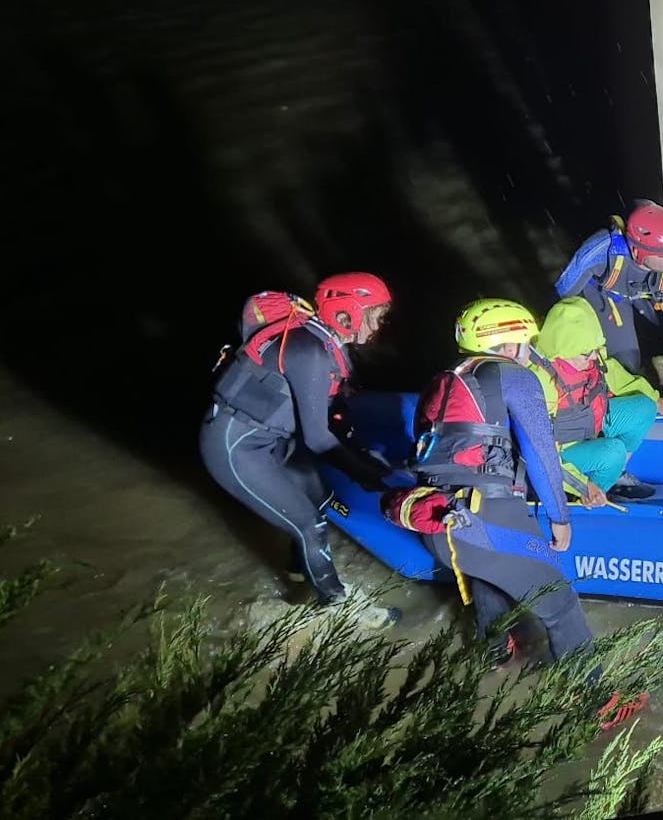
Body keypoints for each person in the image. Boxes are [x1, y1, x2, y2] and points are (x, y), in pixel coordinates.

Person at [201, 273, 405, 630]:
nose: (381, 325)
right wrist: (369, 476)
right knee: (311, 526)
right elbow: (318, 439)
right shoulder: (308, 351)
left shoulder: (328, 347)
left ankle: (298, 576)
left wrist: (368, 459)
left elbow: (333, 419)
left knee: (318, 500)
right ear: (345, 316)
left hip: (276, 439)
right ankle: (337, 607)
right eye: (376, 315)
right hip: (235, 447)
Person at [404, 298, 594, 667]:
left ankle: (490, 657)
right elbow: (541, 453)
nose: (530, 352)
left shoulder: (443, 381)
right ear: (509, 345)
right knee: (560, 604)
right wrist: (560, 515)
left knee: (489, 577)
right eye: (527, 343)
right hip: (484, 514)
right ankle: (598, 701)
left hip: (437, 517)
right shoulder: (515, 377)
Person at [553, 200, 663, 412]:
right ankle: (628, 410)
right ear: (637, 250)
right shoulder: (601, 251)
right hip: (610, 294)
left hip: (650, 292)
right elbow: (562, 294)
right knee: (626, 359)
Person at [530, 296, 663, 505]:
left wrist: (655, 397)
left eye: (595, 349)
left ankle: (615, 474)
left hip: (591, 424)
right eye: (587, 353)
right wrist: (581, 484)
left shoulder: (589, 357)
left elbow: (619, 378)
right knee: (613, 451)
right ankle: (585, 495)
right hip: (562, 454)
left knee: (645, 408)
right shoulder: (541, 381)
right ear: (564, 350)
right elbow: (539, 451)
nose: (594, 356)